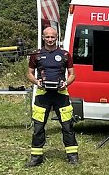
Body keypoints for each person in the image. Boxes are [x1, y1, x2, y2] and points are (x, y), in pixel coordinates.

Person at [26, 26, 79, 167]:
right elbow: (29, 73)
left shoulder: (65, 54)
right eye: (47, 37)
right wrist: (37, 82)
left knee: (67, 126)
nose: (50, 39)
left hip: (61, 94)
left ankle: (72, 156)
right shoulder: (36, 55)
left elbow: (72, 74)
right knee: (38, 127)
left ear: (57, 38)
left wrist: (66, 83)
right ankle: (36, 157)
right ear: (43, 38)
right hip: (42, 95)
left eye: (52, 37)